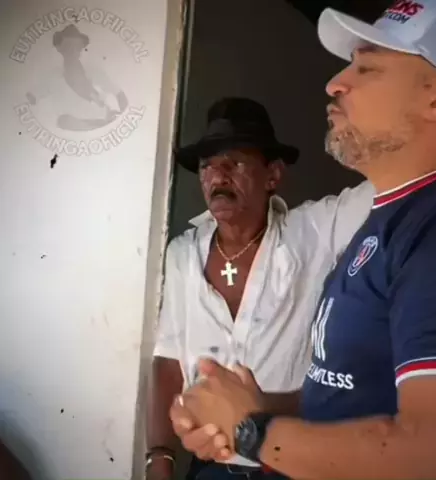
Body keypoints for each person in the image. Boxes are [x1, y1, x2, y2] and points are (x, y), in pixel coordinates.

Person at [170, 1, 436, 479]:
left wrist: (252, 430)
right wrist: (252, 408)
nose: (335, 83)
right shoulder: (391, 218)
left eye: (367, 67)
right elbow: (346, 396)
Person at [146, 97, 374, 479]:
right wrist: (159, 456)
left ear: (272, 175)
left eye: (234, 163)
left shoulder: (312, 232)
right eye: (206, 166)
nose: (217, 177)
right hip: (211, 467)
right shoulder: (183, 254)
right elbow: (168, 358)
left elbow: (389, 187)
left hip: (290, 463)